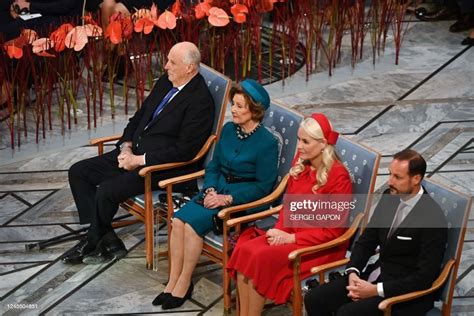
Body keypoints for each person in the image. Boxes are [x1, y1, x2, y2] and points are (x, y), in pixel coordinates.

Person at [63, 41, 215, 265]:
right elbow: (140, 116)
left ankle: (92, 240)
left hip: (161, 167)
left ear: (190, 68)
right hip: (133, 151)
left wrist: (138, 160)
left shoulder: (200, 102)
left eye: (172, 62)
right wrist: (125, 145)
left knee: (106, 190)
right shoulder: (167, 81)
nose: (165, 67)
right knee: (78, 172)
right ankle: (108, 237)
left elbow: (185, 151)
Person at [152, 79, 279, 310]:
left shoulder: (267, 143)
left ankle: (184, 282)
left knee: (191, 225)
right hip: (214, 191)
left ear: (255, 110)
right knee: (178, 220)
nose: (234, 110)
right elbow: (214, 166)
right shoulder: (229, 130)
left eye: (240, 106)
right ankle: (172, 280)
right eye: (234, 104)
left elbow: (263, 187)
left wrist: (227, 198)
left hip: (241, 200)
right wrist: (210, 188)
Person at [226, 113, 353, 316]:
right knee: (244, 251)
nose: (299, 146)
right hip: (289, 234)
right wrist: (278, 231)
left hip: (318, 246)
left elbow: (333, 231)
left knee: (259, 258)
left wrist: (290, 237)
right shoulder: (301, 163)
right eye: (298, 140)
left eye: (305, 141)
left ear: (322, 144)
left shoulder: (339, 176)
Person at [304, 149, 448, 316]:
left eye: (397, 177)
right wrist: (353, 272)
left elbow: (424, 277)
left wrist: (376, 290)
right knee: (314, 298)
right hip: (375, 275)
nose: (390, 182)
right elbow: (367, 240)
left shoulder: (432, 218)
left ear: (416, 179)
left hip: (405, 295)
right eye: (390, 174)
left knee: (347, 313)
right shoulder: (390, 197)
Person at [0, 0, 83, 41]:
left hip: (60, 18)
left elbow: (65, 6)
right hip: (36, 10)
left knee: (13, 29)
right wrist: (15, 5)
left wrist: (30, 6)